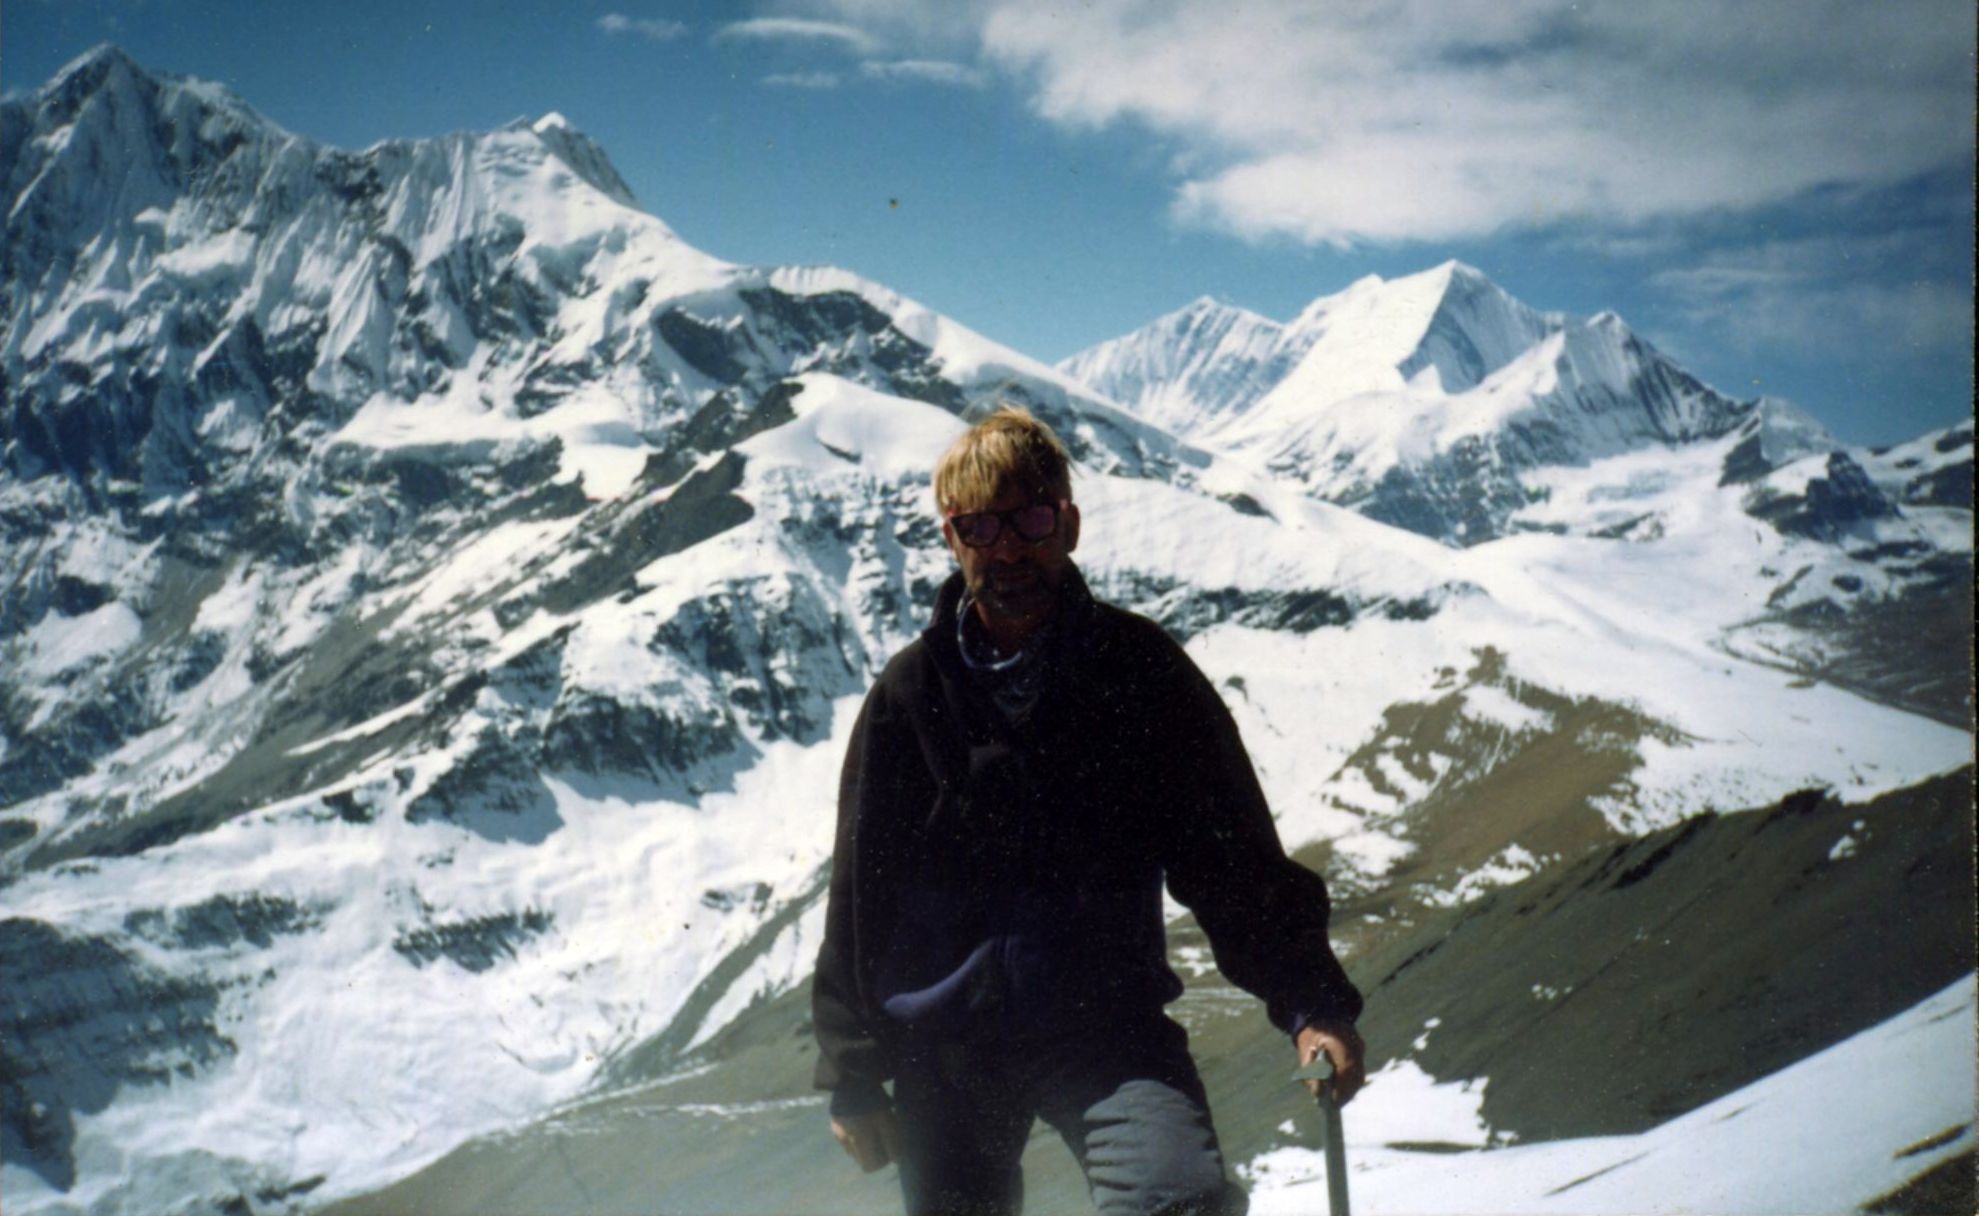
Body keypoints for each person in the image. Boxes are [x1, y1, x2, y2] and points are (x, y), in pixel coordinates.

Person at [812, 406, 1365, 1216]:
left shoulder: (1137, 672)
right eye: (979, 528)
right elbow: (862, 894)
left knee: (1179, 1199)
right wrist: (853, 1076)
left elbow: (1231, 860)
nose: (1007, 549)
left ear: (1067, 524)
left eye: (1029, 519)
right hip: (949, 1050)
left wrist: (1311, 1003)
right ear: (950, 540)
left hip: (1105, 1030)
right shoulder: (911, 694)